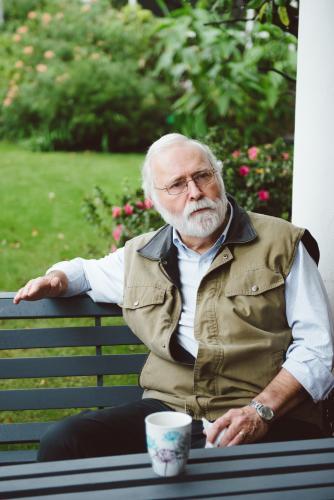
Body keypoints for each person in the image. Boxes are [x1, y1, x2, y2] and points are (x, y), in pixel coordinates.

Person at [14, 133, 334, 461]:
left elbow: (317, 348)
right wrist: (56, 279)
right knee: (65, 442)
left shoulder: (282, 244)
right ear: (154, 198)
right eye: (177, 185)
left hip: (265, 415)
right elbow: (85, 272)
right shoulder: (141, 255)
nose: (195, 193)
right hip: (170, 413)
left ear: (219, 177)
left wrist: (260, 411)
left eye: (202, 176)